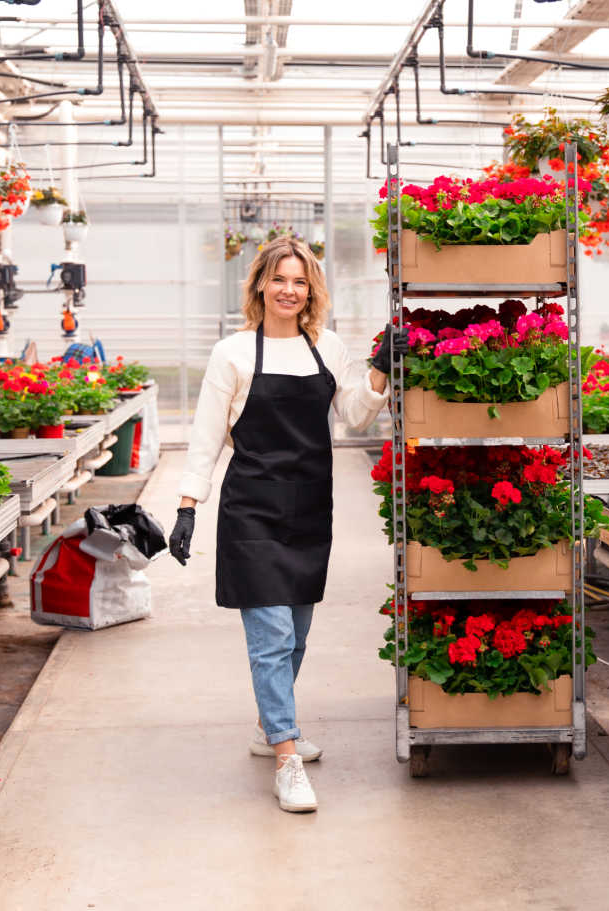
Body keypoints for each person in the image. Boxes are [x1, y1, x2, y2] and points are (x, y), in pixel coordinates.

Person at [168, 237, 405, 813]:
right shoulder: (232, 354)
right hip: (250, 509)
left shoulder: (325, 347)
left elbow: (351, 413)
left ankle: (268, 724)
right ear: (259, 286)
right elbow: (205, 438)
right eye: (279, 279)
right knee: (271, 637)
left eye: (299, 281)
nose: (289, 290)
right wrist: (186, 507)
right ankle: (286, 757)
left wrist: (380, 368)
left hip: (308, 508)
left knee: (295, 637)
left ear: (311, 290)